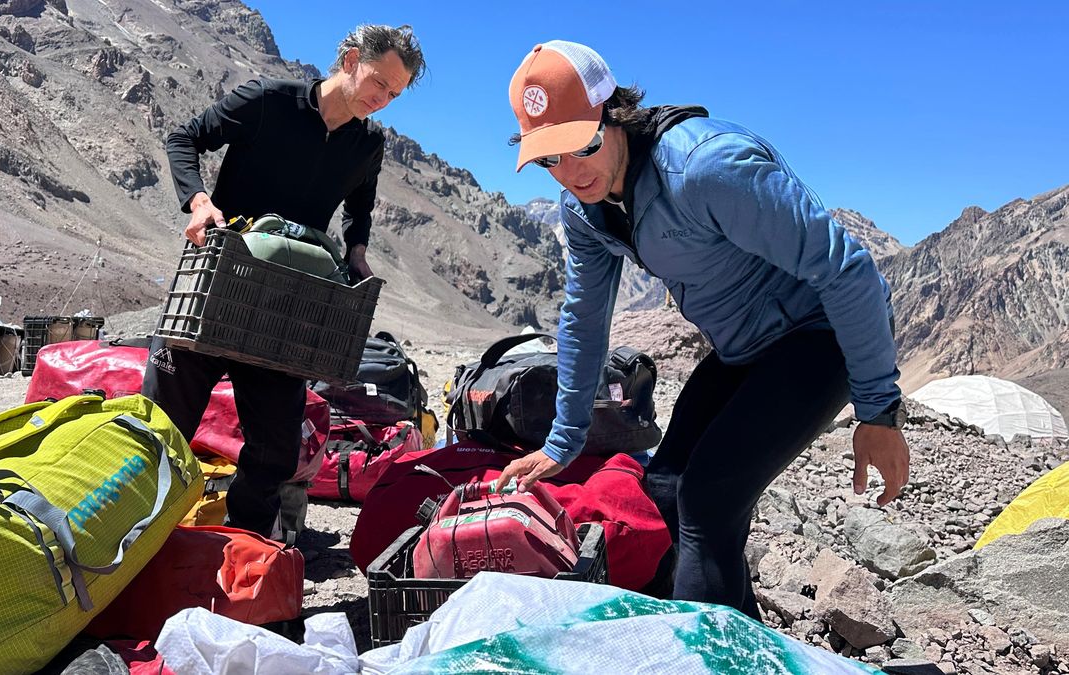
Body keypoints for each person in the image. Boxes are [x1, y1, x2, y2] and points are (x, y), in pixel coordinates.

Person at [497, 41, 910, 619]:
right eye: (549, 160)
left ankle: (700, 655)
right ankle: (743, 645)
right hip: (744, 349)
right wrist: (562, 443)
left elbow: (848, 270)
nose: (570, 174)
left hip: (820, 338)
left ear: (614, 113)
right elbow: (584, 317)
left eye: (581, 146)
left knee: (709, 499)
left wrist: (878, 411)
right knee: (664, 486)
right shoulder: (586, 211)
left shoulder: (707, 170)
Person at [144, 24, 425, 537]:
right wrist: (200, 202)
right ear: (350, 59)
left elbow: (359, 208)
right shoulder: (269, 101)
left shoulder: (367, 144)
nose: (382, 99)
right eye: (378, 82)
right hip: (217, 286)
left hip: (286, 312)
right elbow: (184, 137)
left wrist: (357, 254)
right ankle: (131, 541)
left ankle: (243, 555)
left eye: (394, 93)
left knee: (274, 449)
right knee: (160, 431)